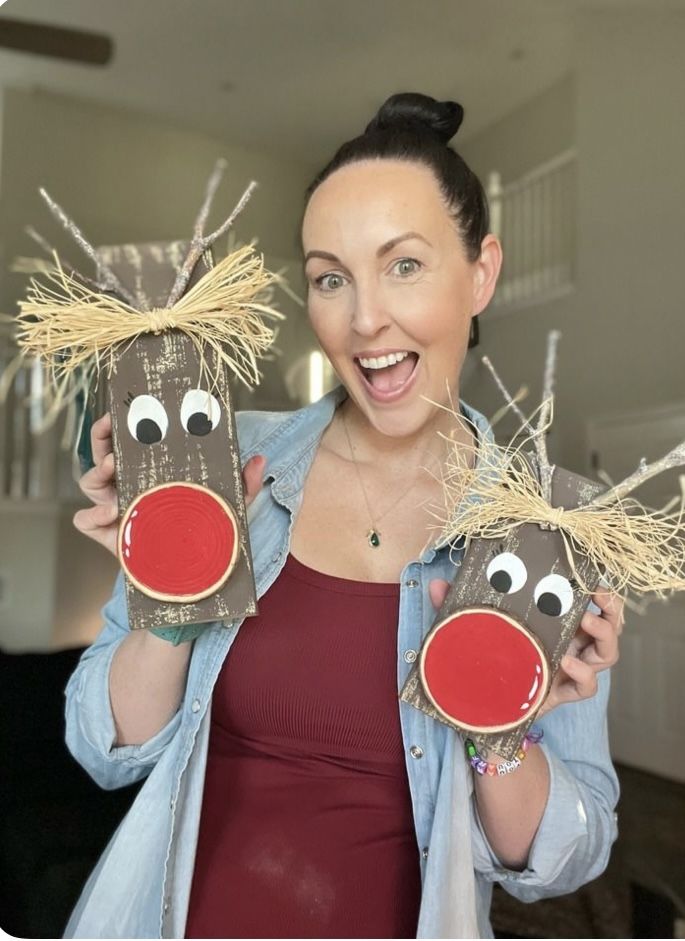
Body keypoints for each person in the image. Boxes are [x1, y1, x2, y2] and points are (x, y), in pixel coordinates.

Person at [64, 92, 621, 939]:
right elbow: (104, 747)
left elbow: (564, 861)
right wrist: (170, 600)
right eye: (330, 277)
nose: (364, 320)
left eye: (403, 265)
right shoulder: (225, 462)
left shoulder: (545, 533)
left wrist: (498, 730)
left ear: (481, 272)